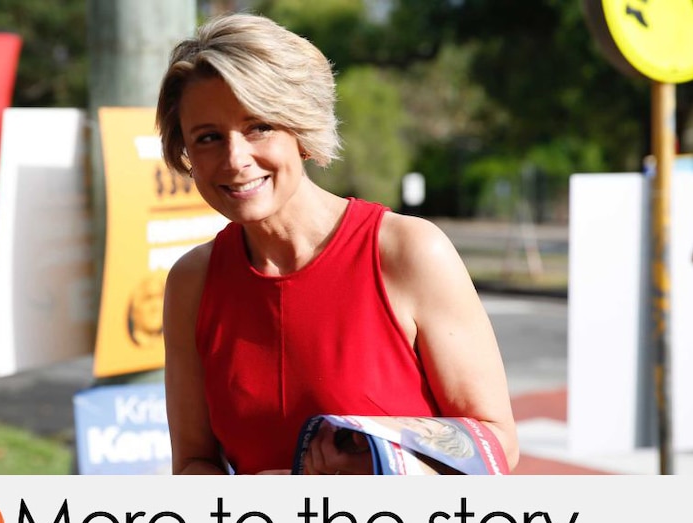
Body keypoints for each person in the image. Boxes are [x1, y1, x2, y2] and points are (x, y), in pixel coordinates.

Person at [155, 13, 519, 475]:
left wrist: (384, 475)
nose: (235, 158)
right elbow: (192, 463)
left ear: (301, 131)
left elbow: (496, 442)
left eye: (259, 127)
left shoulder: (408, 251)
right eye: (207, 138)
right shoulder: (193, 282)